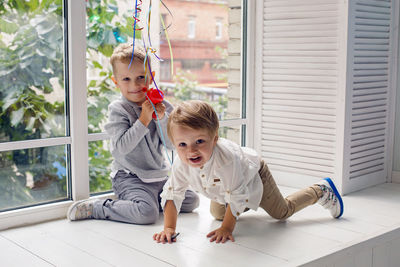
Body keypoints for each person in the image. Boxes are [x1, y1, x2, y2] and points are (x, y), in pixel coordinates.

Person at [153, 100, 344, 243]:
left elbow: (236, 195)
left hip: (254, 175)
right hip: (226, 186)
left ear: (215, 139)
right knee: (218, 214)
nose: (191, 150)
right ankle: (241, 206)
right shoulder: (181, 163)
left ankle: (320, 190)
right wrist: (169, 228)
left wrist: (227, 228)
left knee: (281, 213)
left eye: (199, 141)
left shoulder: (226, 161)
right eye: (182, 144)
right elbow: (172, 194)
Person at [67, 43, 199, 224]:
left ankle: (151, 201)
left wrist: (161, 118)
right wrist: (144, 119)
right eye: (126, 79)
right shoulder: (118, 109)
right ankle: (98, 207)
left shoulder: (164, 106)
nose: (135, 85)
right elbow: (121, 149)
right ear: (116, 82)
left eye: (140, 77)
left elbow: (172, 145)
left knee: (192, 201)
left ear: (150, 78)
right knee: (147, 214)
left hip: (158, 177)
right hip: (130, 177)